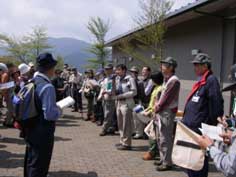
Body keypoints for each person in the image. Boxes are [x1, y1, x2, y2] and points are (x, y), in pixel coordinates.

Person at [182, 53, 224, 177]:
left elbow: (216, 105)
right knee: (192, 164)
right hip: (192, 130)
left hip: (200, 131)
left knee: (198, 165)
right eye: (194, 65)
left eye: (197, 65)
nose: (194, 67)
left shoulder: (211, 80)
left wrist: (208, 127)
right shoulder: (201, 81)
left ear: (205, 65)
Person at [24, 52, 62, 177]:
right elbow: (50, 114)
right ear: (50, 68)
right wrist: (59, 110)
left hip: (30, 127)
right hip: (43, 132)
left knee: (31, 161)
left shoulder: (32, 81)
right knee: (40, 165)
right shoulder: (47, 87)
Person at [154, 57, 180, 171]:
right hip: (162, 111)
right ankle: (163, 158)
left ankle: (167, 162)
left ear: (171, 67)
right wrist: (156, 103)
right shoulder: (166, 79)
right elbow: (160, 94)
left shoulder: (174, 80)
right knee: (160, 136)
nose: (162, 67)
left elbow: (166, 98)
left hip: (167, 112)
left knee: (166, 137)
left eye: (164, 65)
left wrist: (157, 107)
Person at [135, 71, 164, 160]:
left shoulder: (160, 89)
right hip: (152, 113)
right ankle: (153, 152)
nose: (151, 81)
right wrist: (147, 109)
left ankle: (153, 152)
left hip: (156, 115)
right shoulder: (156, 88)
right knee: (152, 133)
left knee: (154, 135)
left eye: (152, 79)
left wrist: (149, 111)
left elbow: (157, 103)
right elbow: (152, 102)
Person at [115, 64, 137, 150]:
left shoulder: (130, 79)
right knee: (120, 123)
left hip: (126, 103)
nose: (117, 72)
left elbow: (134, 92)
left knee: (126, 124)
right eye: (116, 70)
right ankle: (122, 141)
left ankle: (127, 143)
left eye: (119, 70)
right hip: (118, 103)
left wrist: (122, 95)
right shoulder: (117, 79)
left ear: (124, 70)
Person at [99, 64, 116, 135]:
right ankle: (111, 128)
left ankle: (104, 129)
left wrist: (106, 92)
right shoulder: (106, 79)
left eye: (109, 69)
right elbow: (102, 87)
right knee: (109, 114)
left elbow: (110, 90)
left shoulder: (113, 78)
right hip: (105, 98)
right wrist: (100, 96)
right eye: (106, 69)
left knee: (108, 114)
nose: (107, 71)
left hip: (110, 98)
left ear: (112, 70)